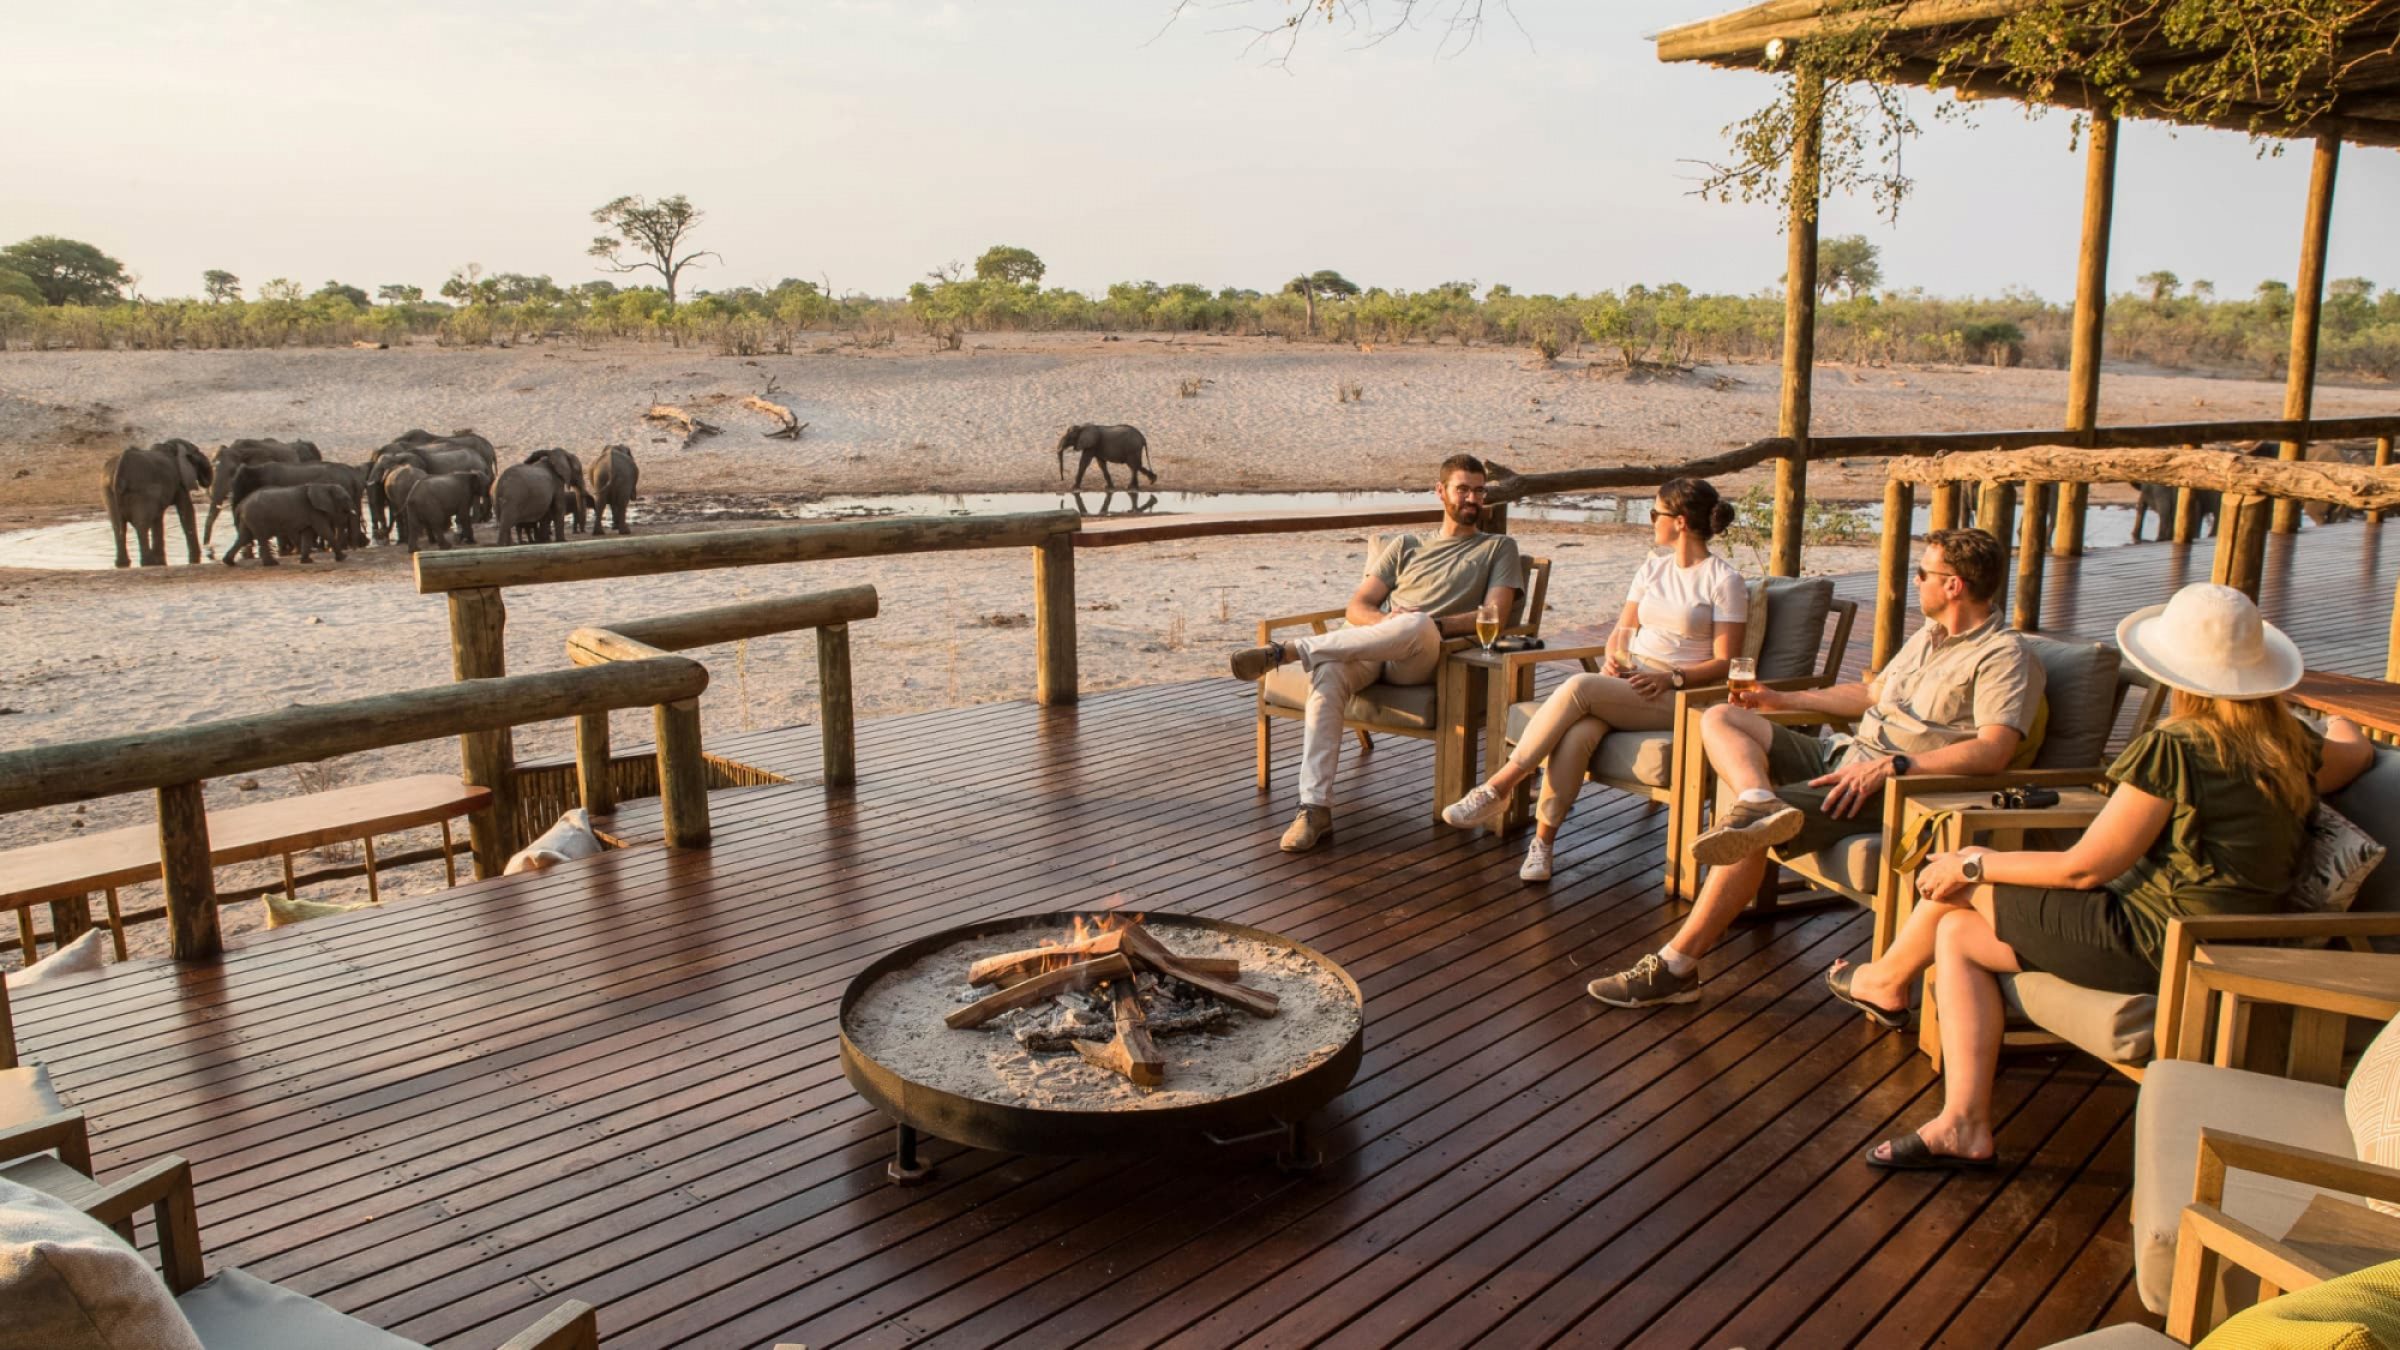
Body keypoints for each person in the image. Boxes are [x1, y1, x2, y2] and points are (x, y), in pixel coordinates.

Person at [1827, 583, 2373, 1169]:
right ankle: (1958, 1117)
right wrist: (2340, 718)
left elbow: (2084, 868)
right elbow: (2357, 752)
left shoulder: (2175, 746)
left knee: (1962, 886)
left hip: (2158, 941)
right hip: (2236, 941)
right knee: (1957, 933)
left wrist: (1969, 861)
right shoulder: (2287, 744)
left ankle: (1893, 995)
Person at [1583, 527, 2043, 1009]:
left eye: (1924, 573)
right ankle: (1756, 800)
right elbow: (1868, 695)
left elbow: (1994, 751)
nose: (1917, 581)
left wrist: (1896, 766)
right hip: (1844, 752)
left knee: (1752, 834)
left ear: (1955, 586)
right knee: (1722, 716)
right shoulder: (1928, 636)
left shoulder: (2005, 656)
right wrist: (1780, 699)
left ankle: (1676, 967)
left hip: (1895, 786)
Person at [1440, 477, 1747, 882]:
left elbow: (1727, 662)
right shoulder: (1652, 569)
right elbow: (1621, 632)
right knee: (1578, 733)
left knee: (1579, 688)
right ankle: (1543, 846)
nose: (1651, 520)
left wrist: (1672, 676)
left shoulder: (1723, 580)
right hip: (1634, 682)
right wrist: (1615, 662)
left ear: (1681, 522)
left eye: (1656, 513)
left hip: (1682, 693)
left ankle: (1500, 786)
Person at [1230, 453, 1523, 852]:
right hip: (1371, 646)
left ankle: (1291, 650)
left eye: (1478, 490)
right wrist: (1389, 622)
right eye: (1462, 489)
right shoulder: (1404, 545)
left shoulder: (1498, 547)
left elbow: (1496, 615)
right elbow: (1358, 609)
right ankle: (1314, 809)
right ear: (1440, 492)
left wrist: (1431, 625)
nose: (1472, 498)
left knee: (1416, 624)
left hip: (1422, 656)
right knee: (1329, 672)